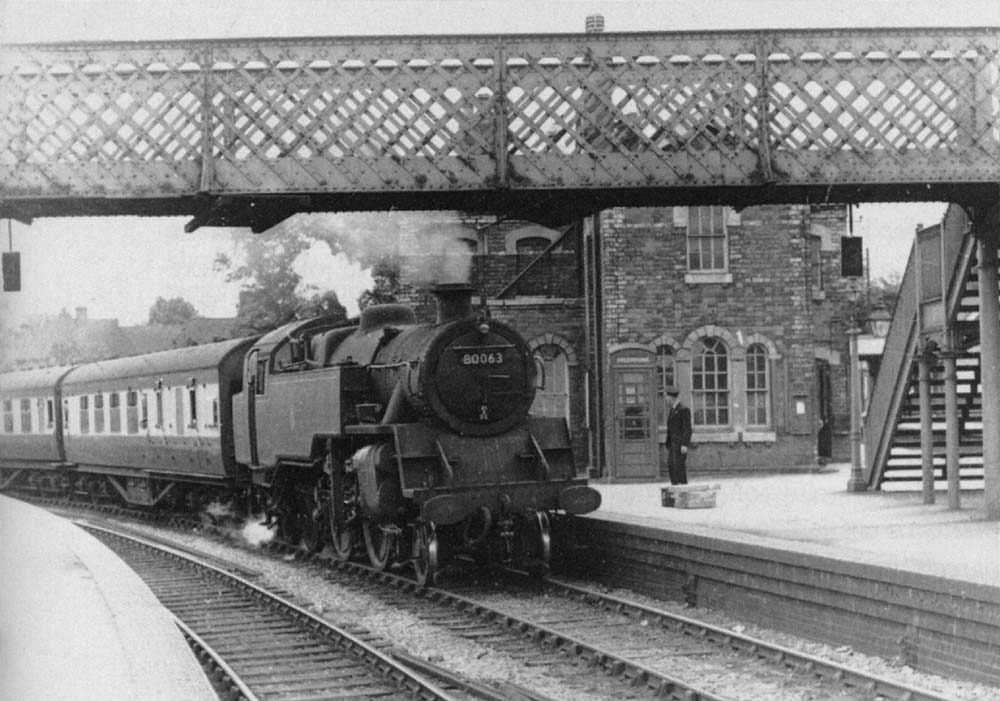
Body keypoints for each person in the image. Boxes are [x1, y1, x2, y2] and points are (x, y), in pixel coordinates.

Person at [664, 386, 692, 485]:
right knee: (671, 466)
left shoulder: (684, 409)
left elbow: (687, 428)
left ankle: (683, 489)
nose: (665, 398)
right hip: (672, 445)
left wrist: (685, 444)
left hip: (680, 445)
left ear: (671, 397)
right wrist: (668, 444)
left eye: (666, 396)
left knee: (679, 467)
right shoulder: (672, 410)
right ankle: (675, 488)